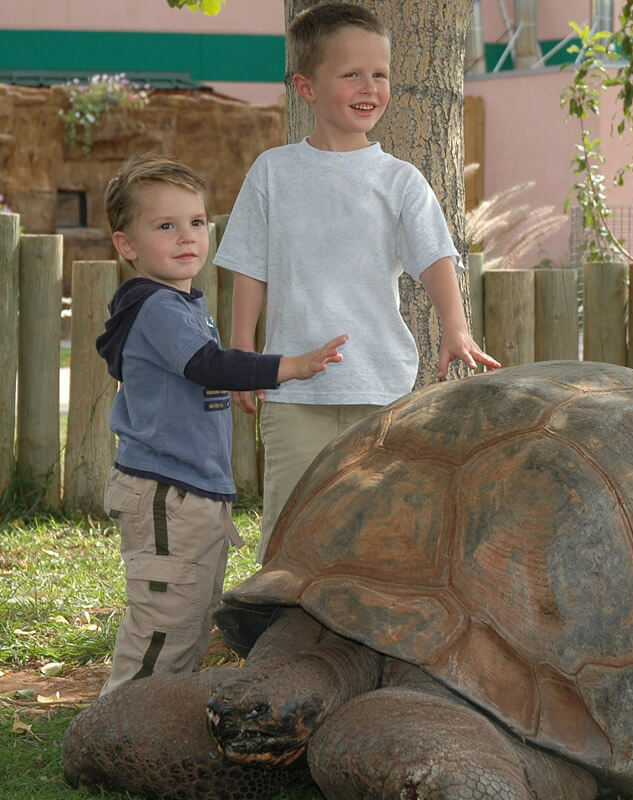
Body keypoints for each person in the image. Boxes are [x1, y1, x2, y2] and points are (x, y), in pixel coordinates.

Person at [214, 2, 499, 562]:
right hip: (291, 392)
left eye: (380, 73)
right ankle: (280, 630)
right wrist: (242, 355)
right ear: (306, 87)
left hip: (383, 391)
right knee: (291, 524)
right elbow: (250, 270)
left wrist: (455, 328)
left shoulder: (401, 180)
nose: (369, 86)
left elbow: (436, 257)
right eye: (350, 74)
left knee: (380, 528)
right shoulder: (272, 172)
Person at [95, 154, 348, 696]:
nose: (186, 236)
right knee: (164, 622)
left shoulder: (184, 304)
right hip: (168, 492)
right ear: (127, 245)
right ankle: (118, 730)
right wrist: (290, 367)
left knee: (190, 616)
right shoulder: (156, 308)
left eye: (196, 222)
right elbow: (210, 365)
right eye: (165, 225)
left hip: (195, 492)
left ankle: (154, 720)